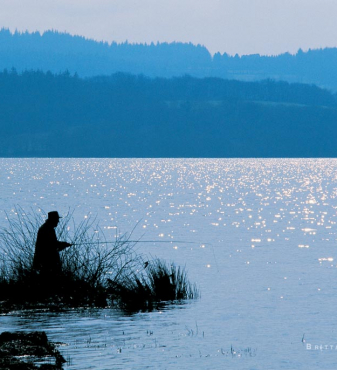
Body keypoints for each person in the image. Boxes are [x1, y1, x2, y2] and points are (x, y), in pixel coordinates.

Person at [33, 211, 72, 278]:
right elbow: (51, 245)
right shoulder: (47, 229)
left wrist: (63, 244)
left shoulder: (46, 228)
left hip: (44, 259)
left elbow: (52, 244)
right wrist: (63, 245)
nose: (58, 221)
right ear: (53, 220)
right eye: (57, 220)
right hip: (47, 260)